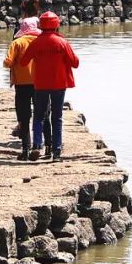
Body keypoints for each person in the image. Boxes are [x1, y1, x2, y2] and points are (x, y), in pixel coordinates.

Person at [23, 11, 80, 162]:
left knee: (39, 115)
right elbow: (75, 63)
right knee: (57, 117)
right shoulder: (62, 43)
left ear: (41, 25)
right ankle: (56, 151)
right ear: (56, 25)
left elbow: (23, 61)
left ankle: (36, 145)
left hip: (41, 84)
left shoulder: (36, 42)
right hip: (59, 84)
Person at [2, 0, 50, 158]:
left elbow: (8, 61)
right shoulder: (43, 38)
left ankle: (26, 149)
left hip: (21, 83)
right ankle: (47, 147)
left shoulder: (17, 41)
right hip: (41, 81)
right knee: (42, 114)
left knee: (24, 115)